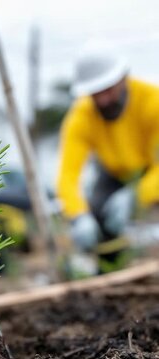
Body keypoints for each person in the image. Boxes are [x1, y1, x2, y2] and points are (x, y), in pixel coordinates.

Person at [56, 47, 159, 269]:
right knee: (99, 216)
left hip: (153, 171)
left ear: (123, 78)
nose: (103, 100)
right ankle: (109, 276)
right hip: (113, 173)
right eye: (95, 93)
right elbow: (68, 175)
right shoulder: (80, 117)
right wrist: (78, 215)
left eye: (108, 90)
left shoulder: (153, 101)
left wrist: (138, 195)